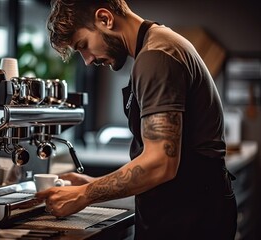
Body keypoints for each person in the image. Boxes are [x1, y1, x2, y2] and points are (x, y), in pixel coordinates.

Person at [35, 0, 237, 239]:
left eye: (83, 45)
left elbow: (160, 163)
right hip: (188, 209)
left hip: (189, 219)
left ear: (105, 19)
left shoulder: (156, 56)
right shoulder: (157, 46)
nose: (88, 60)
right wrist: (93, 182)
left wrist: (85, 193)